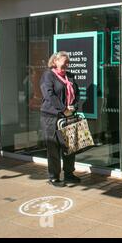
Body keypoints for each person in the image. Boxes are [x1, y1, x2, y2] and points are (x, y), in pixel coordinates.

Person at [40, 51, 81, 187]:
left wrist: (74, 106)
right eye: (64, 62)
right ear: (55, 62)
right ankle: (54, 176)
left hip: (68, 115)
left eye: (68, 63)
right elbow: (49, 96)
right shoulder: (48, 76)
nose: (66, 65)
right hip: (51, 117)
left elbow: (77, 93)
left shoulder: (70, 76)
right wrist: (64, 109)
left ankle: (69, 174)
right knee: (54, 147)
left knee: (70, 146)